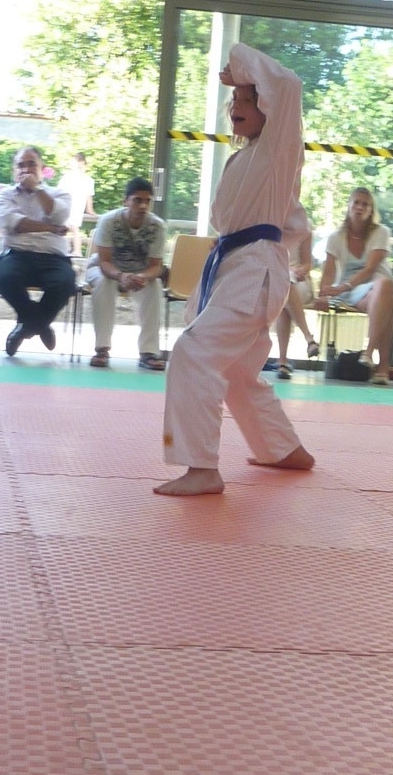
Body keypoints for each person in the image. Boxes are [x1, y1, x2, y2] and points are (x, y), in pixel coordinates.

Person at [155, 42, 314, 497]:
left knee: (194, 353)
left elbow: (288, 84)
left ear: (271, 110)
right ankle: (283, 449)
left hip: (253, 272)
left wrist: (239, 68)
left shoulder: (278, 148)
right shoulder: (246, 157)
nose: (236, 105)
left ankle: (201, 467)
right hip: (237, 266)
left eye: (249, 98)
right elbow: (286, 223)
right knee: (238, 373)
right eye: (234, 99)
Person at [0, 145, 76, 356]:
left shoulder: (60, 193)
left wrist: (38, 190)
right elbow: (14, 223)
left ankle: (25, 327)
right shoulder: (5, 195)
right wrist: (51, 228)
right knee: (4, 277)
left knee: (65, 283)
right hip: (16, 253)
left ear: (42, 168)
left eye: (31, 164)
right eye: (20, 165)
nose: (26, 169)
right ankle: (41, 324)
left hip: (53, 256)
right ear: (14, 171)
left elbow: (59, 216)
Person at [315, 186, 393, 385]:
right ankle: (382, 366)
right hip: (352, 292)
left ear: (371, 210)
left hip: (377, 283)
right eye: (356, 203)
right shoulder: (335, 237)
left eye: (365, 204)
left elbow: (370, 270)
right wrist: (323, 294)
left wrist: (342, 287)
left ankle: (369, 352)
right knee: (385, 302)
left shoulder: (381, 232)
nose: (360, 208)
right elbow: (328, 271)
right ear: (349, 206)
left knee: (385, 288)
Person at [85, 176, 167, 370]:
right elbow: (104, 261)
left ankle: (148, 352)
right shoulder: (109, 221)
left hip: (139, 272)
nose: (142, 206)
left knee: (155, 286)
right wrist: (121, 276)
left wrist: (143, 277)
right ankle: (102, 349)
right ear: (126, 201)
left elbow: (156, 266)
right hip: (105, 270)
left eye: (147, 201)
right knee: (104, 284)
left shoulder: (157, 226)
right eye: (137, 200)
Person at [274, 227, 319, 380]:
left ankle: (282, 361)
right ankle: (308, 338)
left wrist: (301, 270)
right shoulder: (269, 221)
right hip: (276, 278)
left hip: (299, 281)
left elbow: (307, 263)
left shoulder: (304, 226)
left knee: (284, 289)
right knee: (284, 285)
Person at [58, 151, 96, 256]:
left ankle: (77, 251)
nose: (79, 169)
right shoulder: (67, 178)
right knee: (65, 227)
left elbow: (89, 196)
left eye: (81, 167)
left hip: (76, 206)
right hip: (66, 205)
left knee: (74, 228)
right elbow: (59, 193)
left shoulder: (88, 180)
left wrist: (90, 210)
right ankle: (66, 249)